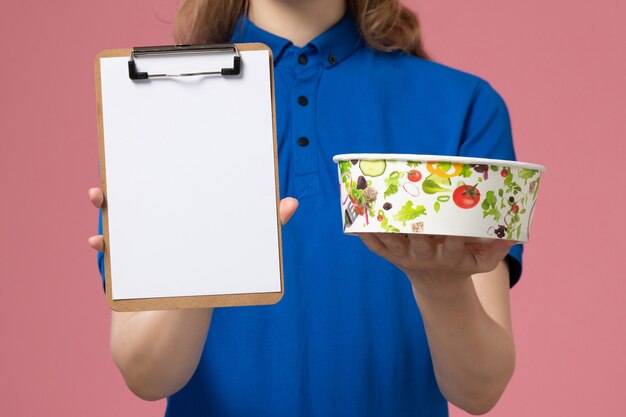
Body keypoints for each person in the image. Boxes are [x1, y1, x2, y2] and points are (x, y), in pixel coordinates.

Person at [88, 0, 524, 415]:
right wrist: (211, 251)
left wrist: (440, 286)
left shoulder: (464, 106)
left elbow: (480, 389)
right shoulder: (154, 98)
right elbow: (146, 375)